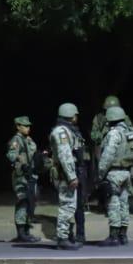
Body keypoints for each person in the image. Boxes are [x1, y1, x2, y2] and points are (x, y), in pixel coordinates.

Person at [48, 102, 85, 250]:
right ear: (70, 115)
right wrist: (71, 176)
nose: (77, 117)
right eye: (75, 114)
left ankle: (67, 236)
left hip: (69, 172)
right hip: (65, 174)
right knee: (66, 206)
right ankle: (62, 238)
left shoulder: (69, 130)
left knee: (70, 205)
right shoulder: (61, 132)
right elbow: (65, 155)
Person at [97, 105, 133, 246]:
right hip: (126, 172)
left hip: (113, 172)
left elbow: (108, 155)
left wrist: (100, 173)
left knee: (113, 203)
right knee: (124, 204)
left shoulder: (114, 133)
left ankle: (113, 236)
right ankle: (123, 235)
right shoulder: (130, 132)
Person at [5, 116, 42, 243]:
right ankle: (21, 234)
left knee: (30, 202)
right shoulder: (17, 140)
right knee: (23, 202)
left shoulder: (28, 140)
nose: (28, 128)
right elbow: (11, 155)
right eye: (25, 126)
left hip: (30, 175)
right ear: (18, 126)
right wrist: (22, 163)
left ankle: (26, 231)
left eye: (29, 126)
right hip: (21, 176)